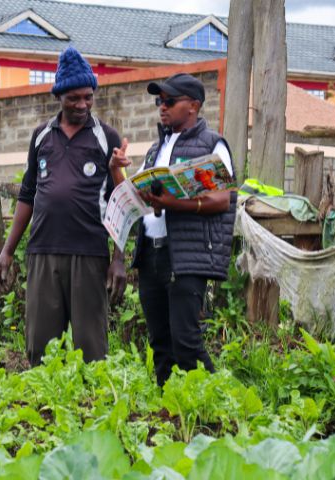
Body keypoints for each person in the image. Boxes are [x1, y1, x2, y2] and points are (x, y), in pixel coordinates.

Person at [0, 46, 127, 366]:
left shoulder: (106, 137)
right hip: (42, 251)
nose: (82, 105)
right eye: (74, 98)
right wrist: (8, 251)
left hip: (89, 253)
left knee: (91, 349)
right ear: (59, 96)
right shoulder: (41, 136)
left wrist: (119, 259)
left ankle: (90, 408)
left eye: (88, 97)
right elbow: (28, 195)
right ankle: (44, 407)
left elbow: (121, 202)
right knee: (40, 347)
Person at [109, 73, 237, 386]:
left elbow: (221, 200)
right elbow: (134, 196)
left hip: (186, 257)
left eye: (169, 101)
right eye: (159, 102)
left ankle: (214, 404)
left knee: (186, 341)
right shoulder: (156, 149)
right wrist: (116, 170)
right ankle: (169, 410)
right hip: (152, 255)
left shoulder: (212, 145)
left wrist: (172, 203)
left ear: (193, 105)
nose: (161, 108)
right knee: (160, 342)